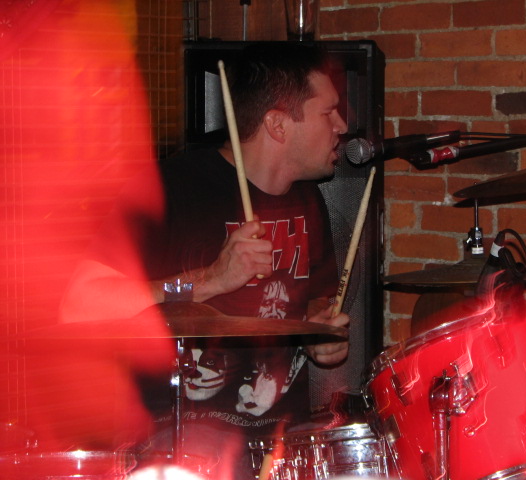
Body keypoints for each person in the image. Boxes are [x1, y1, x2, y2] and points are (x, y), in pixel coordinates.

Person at [59, 43, 350, 478]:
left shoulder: (309, 198)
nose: (342, 126)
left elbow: (310, 303)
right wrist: (209, 280)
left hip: (278, 450)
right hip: (175, 451)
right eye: (328, 112)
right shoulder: (167, 189)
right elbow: (79, 304)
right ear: (277, 125)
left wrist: (320, 333)